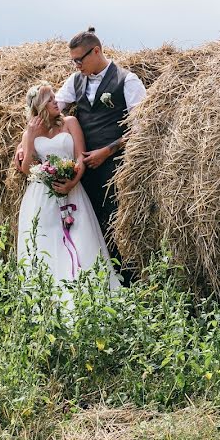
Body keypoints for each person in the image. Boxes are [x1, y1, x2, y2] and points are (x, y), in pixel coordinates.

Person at [55, 27, 147, 284]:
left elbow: (142, 128)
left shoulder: (127, 81)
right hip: (82, 169)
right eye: (73, 61)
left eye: (79, 60)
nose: (76, 66)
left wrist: (108, 151)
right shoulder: (75, 81)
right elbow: (53, 107)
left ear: (96, 51)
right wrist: (27, 138)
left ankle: (127, 284)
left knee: (115, 227)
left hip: (114, 167)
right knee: (84, 225)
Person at [15, 83, 121, 296]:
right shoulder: (31, 132)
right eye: (51, 99)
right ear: (40, 105)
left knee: (81, 239)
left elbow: (80, 156)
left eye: (55, 97)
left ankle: (89, 294)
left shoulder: (70, 122)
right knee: (45, 242)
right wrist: (29, 137)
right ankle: (49, 298)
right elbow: (26, 169)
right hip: (42, 196)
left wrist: (73, 182)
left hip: (72, 191)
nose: (57, 102)